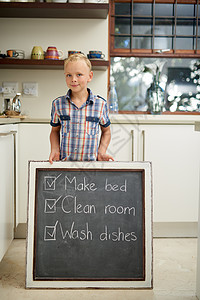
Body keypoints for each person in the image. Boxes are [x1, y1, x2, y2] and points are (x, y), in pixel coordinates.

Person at [49, 53, 114, 164]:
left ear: (90, 76)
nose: (73, 79)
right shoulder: (58, 104)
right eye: (69, 75)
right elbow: (55, 131)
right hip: (65, 165)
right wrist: (55, 149)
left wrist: (101, 151)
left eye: (79, 74)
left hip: (91, 166)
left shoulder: (100, 104)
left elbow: (106, 131)